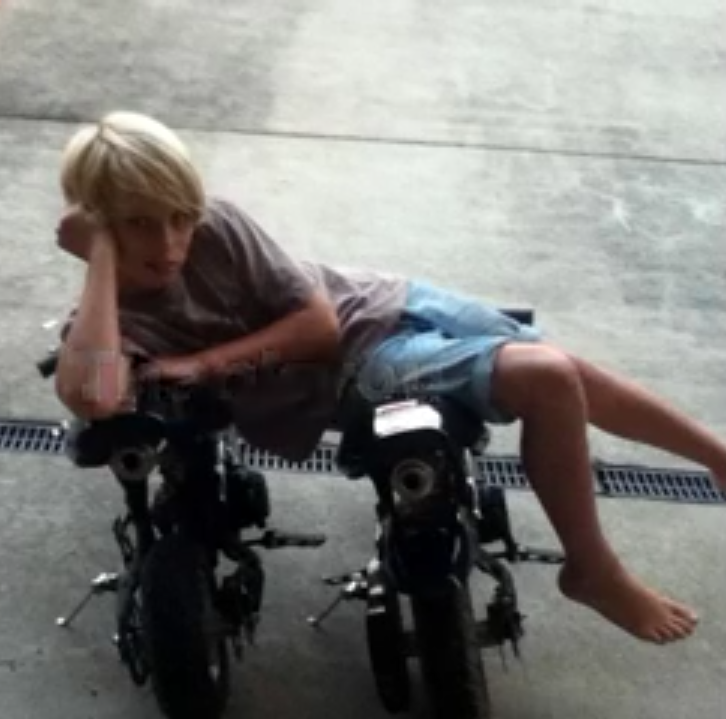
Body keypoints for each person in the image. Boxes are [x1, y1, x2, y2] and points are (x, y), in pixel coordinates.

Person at [54, 110, 726, 646]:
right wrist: (104, 262)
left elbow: (317, 321)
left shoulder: (218, 225)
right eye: (139, 225)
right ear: (96, 223)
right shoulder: (107, 316)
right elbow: (98, 396)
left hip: (384, 300)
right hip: (361, 366)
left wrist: (204, 364)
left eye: (181, 217)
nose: (170, 243)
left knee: (566, 370)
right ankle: (592, 566)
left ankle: (715, 455)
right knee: (549, 376)